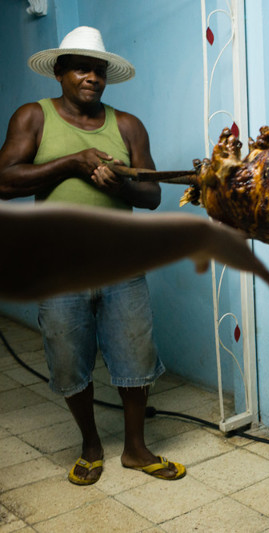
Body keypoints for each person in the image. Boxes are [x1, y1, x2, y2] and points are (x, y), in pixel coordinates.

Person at [0, 26, 185, 485]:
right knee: (68, 360)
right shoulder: (34, 117)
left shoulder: (127, 125)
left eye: (99, 71)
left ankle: (137, 449)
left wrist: (121, 183)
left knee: (135, 357)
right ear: (60, 73)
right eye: (81, 68)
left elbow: (152, 196)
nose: (92, 77)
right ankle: (90, 445)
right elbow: (4, 181)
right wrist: (72, 163)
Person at [0, 203, 269, 301]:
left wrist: (199, 237)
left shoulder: (126, 125)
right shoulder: (32, 118)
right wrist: (199, 237)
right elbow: (27, 255)